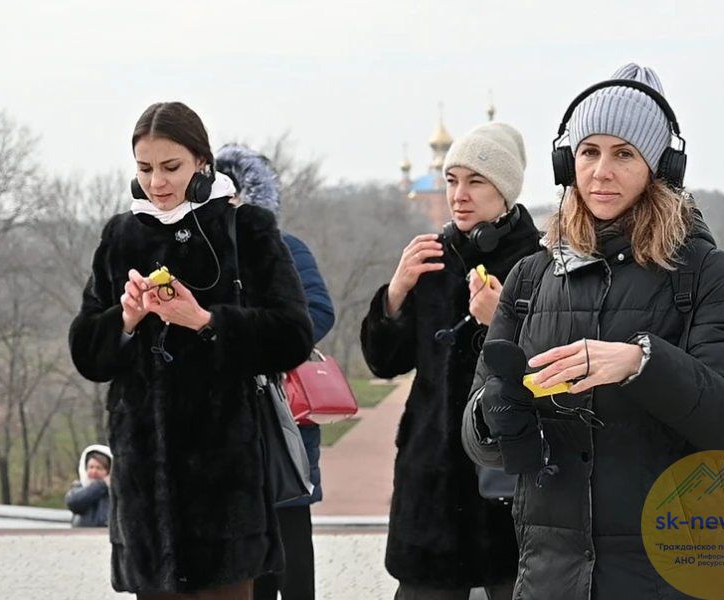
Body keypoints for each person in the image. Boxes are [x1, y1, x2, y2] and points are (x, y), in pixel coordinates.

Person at [463, 64, 724, 599]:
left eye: (624, 154)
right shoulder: (530, 278)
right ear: (567, 162)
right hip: (551, 582)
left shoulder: (708, 275)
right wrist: (496, 414)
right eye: (589, 152)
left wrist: (643, 364)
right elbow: (478, 440)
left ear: (659, 167)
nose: (601, 172)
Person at [68, 102, 313, 600]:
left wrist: (204, 322)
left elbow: (294, 336)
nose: (157, 182)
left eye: (171, 167)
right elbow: (87, 355)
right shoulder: (120, 236)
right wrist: (127, 319)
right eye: (145, 168)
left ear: (203, 163)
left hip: (226, 491)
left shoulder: (248, 229)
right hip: (145, 496)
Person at [361, 122, 541, 599]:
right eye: (451, 180)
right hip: (431, 490)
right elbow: (383, 362)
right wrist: (396, 293)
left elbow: (553, 373)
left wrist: (498, 321)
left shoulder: (542, 265)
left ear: (504, 189)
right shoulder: (432, 259)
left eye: (475, 181)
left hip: (510, 491)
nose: (459, 195)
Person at [216, 143, 336, 600]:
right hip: (222, 424)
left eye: (237, 195)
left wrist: (258, 339)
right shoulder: (200, 257)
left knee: (291, 553)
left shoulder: (286, 247)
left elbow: (318, 314)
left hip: (278, 415)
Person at [65, 444, 113, 528]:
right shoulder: (79, 487)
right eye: (91, 467)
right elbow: (73, 502)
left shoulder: (116, 492)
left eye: (99, 468)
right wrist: (101, 485)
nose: (94, 471)